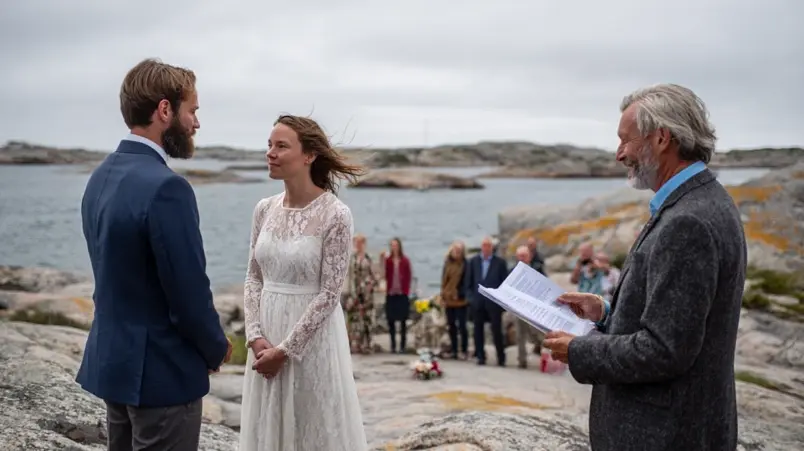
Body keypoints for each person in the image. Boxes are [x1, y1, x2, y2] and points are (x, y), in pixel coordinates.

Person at [544, 84, 746, 451]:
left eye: (626, 140)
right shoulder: (706, 200)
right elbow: (676, 321)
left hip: (664, 435)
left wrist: (578, 350)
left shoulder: (688, 221)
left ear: (661, 138)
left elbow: (666, 350)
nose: (620, 154)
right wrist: (605, 311)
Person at [77, 58, 232, 451]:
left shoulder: (101, 175)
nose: (196, 123)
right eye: (192, 110)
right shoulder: (168, 188)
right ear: (165, 110)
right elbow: (187, 291)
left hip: (114, 364)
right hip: (162, 374)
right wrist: (215, 346)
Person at [239, 114, 368, 450]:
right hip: (264, 338)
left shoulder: (336, 214)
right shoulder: (263, 209)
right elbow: (253, 276)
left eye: (281, 146)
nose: (271, 152)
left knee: (311, 428)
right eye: (269, 145)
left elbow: (330, 294)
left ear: (309, 155)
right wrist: (254, 336)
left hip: (310, 344)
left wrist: (286, 350)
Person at [464, 236, 509, 366]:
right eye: (484, 245)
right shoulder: (473, 262)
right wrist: (471, 299)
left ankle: (501, 357)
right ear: (481, 247)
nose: (486, 248)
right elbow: (469, 282)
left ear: (492, 248)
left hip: (493, 303)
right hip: (477, 303)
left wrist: (501, 301)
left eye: (488, 246)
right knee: (478, 331)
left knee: (496, 331)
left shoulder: (500, 263)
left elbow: (504, 283)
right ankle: (480, 356)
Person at [346, 233, 378, 354]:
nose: (357, 245)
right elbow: (350, 276)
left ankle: (368, 344)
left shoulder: (368, 258)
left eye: (360, 243)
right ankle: (355, 344)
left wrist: (368, 286)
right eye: (356, 243)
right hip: (355, 293)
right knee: (355, 320)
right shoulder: (352, 258)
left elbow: (374, 276)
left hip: (367, 294)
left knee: (367, 320)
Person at [381, 238, 413, 354]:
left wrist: (407, 290)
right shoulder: (388, 261)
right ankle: (393, 346)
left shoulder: (405, 261)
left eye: (396, 245)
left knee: (403, 321)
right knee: (391, 320)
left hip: (402, 294)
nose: (394, 247)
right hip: (391, 293)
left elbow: (409, 276)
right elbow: (383, 273)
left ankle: (403, 346)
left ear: (399, 246)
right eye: (392, 245)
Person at [440, 240, 468, 359]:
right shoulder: (447, 263)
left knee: (462, 325)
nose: (457, 252)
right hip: (448, 298)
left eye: (459, 251)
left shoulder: (466, 264)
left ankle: (464, 349)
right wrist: (442, 295)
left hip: (460, 299)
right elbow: (444, 280)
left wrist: (461, 293)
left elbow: (467, 281)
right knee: (451, 325)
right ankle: (454, 349)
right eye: (455, 250)